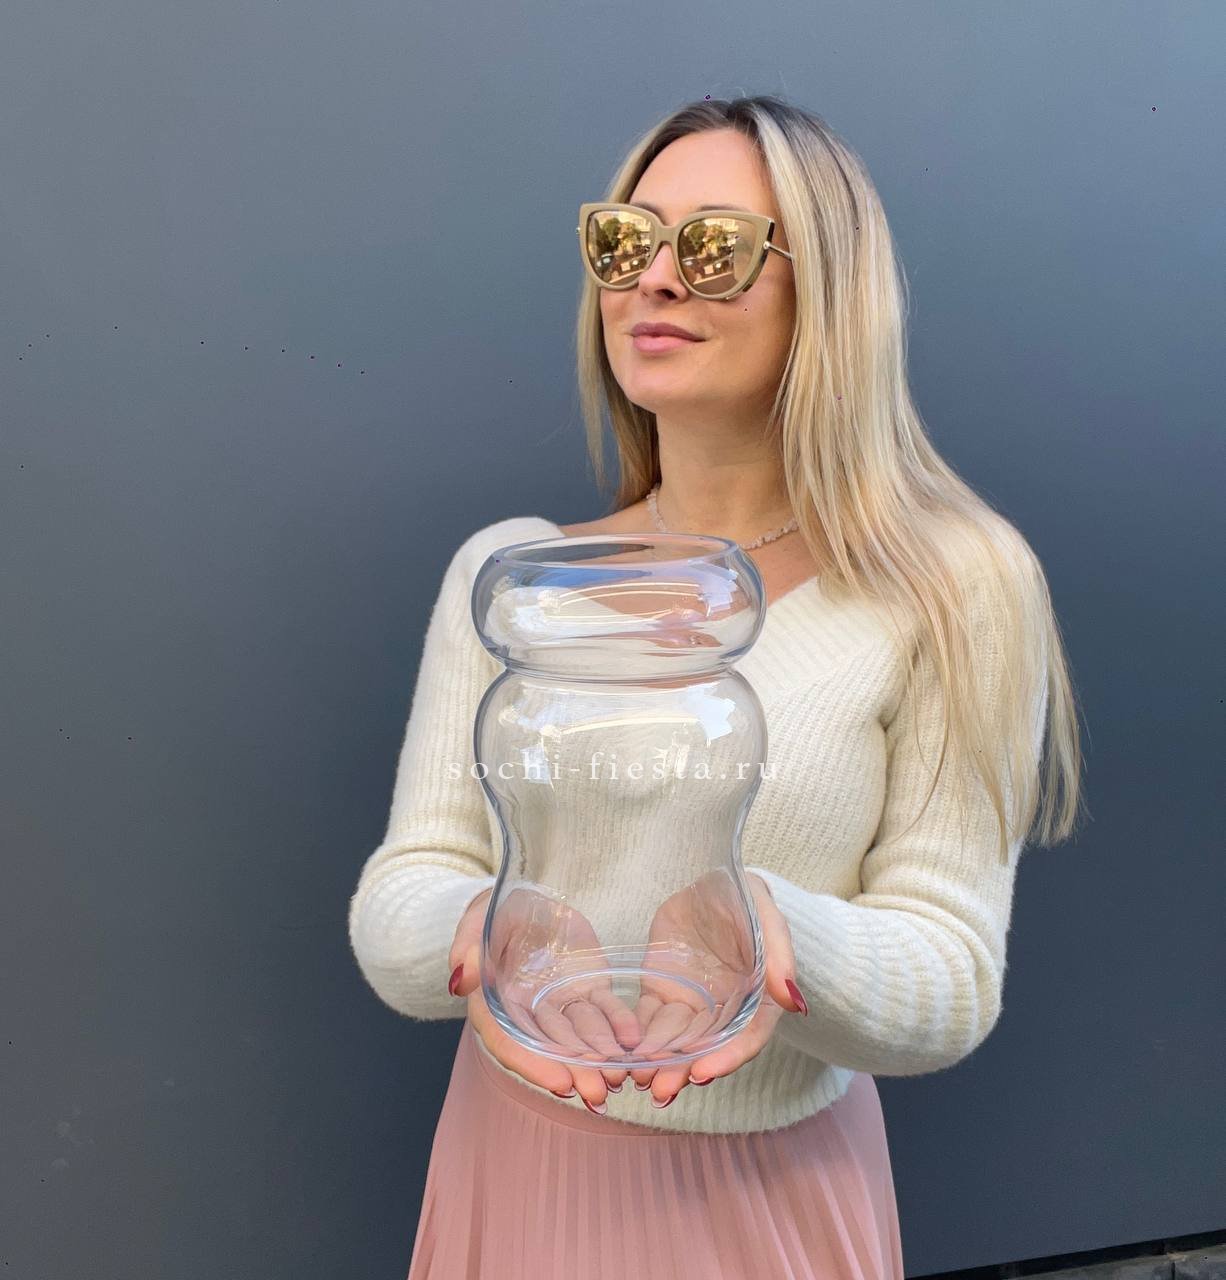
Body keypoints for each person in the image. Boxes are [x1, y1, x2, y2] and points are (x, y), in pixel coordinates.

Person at [347, 94, 1084, 1280]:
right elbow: (403, 892)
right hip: (516, 1157)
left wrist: (768, 931)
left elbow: (951, 976)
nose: (652, 279)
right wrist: (479, 930)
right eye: (623, 241)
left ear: (828, 291)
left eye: (712, 246)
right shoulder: (515, 578)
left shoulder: (952, 583)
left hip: (768, 1194)